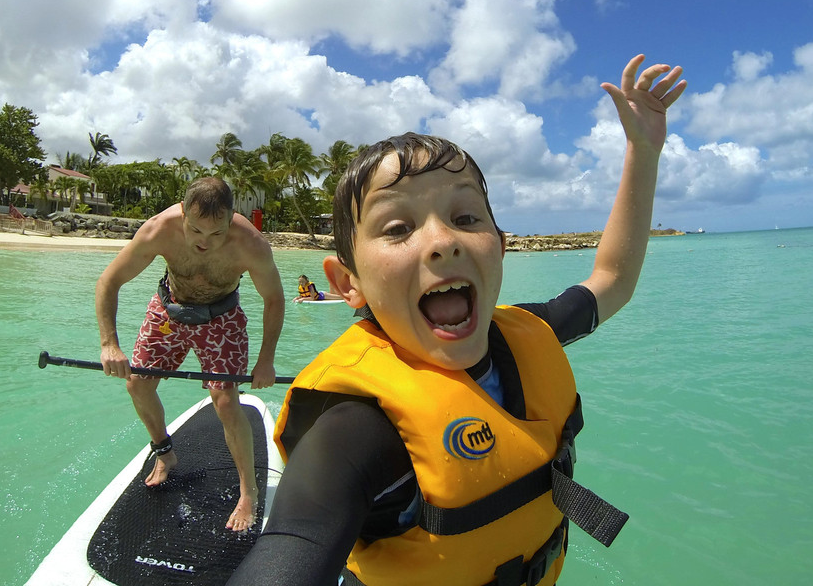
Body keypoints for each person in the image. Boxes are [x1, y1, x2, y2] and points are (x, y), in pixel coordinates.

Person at [228, 55, 685, 586]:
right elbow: (295, 544)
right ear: (346, 282)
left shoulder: (525, 335)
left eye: (466, 217)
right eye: (398, 227)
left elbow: (612, 279)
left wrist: (643, 151)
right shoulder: (356, 430)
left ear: (501, 248)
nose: (443, 241)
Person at [96, 176, 286, 532]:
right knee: (137, 385)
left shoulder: (252, 245)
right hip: (170, 311)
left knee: (227, 402)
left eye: (217, 234)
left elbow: (274, 299)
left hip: (222, 317)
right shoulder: (158, 231)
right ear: (182, 212)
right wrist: (109, 343)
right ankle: (164, 451)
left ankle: (249, 491)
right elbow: (109, 280)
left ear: (232, 218)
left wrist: (266, 359)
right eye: (196, 230)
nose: (204, 242)